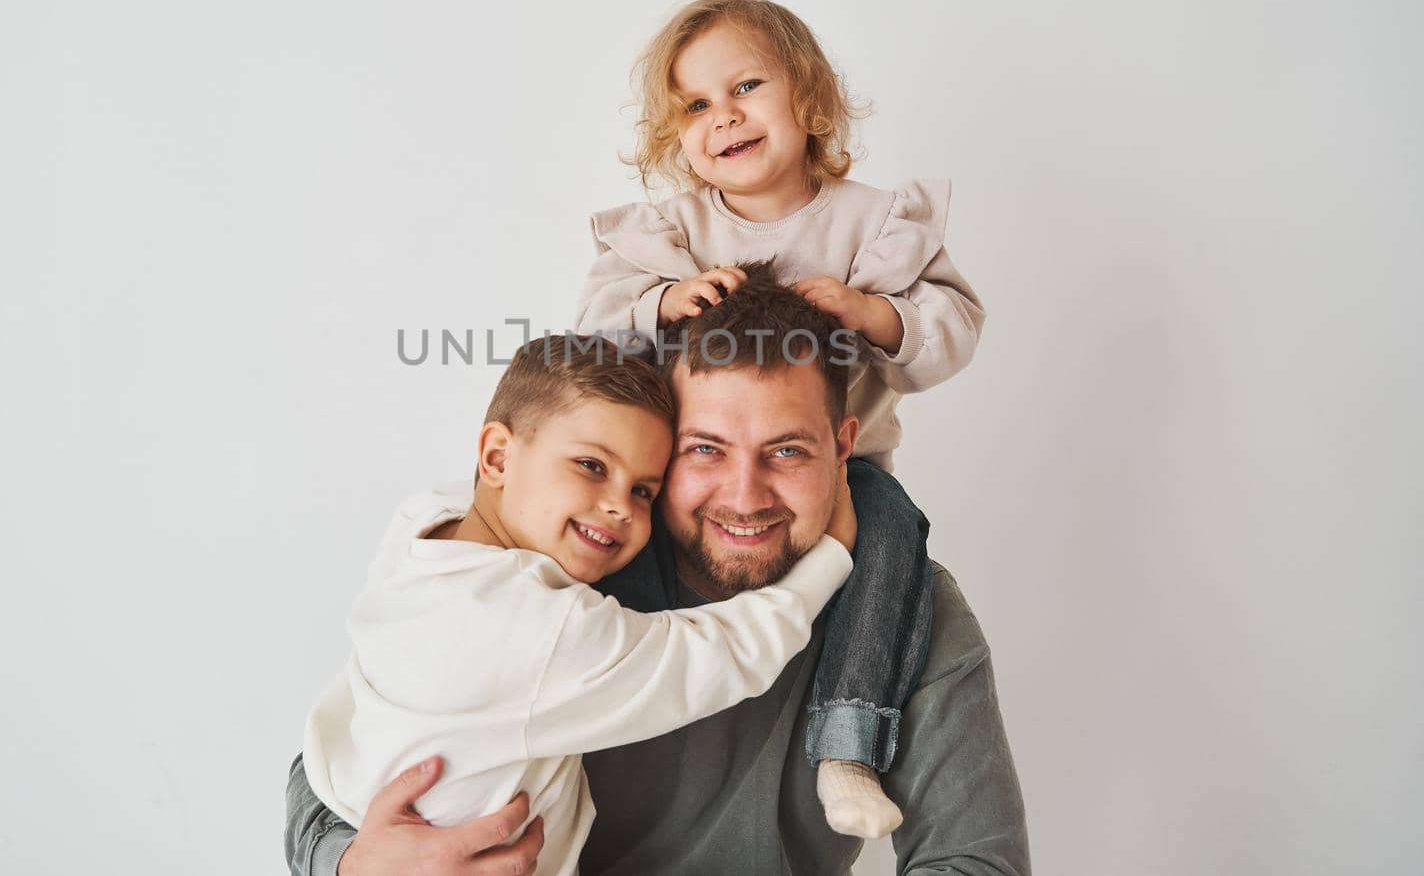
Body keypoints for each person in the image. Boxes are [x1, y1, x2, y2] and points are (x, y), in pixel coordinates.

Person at [284, 265, 1029, 875]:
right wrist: (353, 865)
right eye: (705, 447)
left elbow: (977, 861)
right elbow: (333, 760)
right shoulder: (562, 571)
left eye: (788, 450)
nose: (744, 496)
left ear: (844, 447)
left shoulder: (902, 603)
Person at [575, 0, 986, 835]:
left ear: (807, 94)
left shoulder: (874, 223)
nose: (722, 117)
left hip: (846, 473)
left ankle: (847, 739)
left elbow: (953, 327)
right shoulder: (674, 233)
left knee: (893, 543)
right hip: (688, 476)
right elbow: (592, 328)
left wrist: (873, 312)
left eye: (746, 87)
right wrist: (664, 299)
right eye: (695, 106)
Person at [299, 335, 859, 876]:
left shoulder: (419, 534)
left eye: (644, 489)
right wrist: (833, 553)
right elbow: (726, 653)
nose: (618, 506)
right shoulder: (536, 629)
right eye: (592, 466)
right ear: (496, 457)